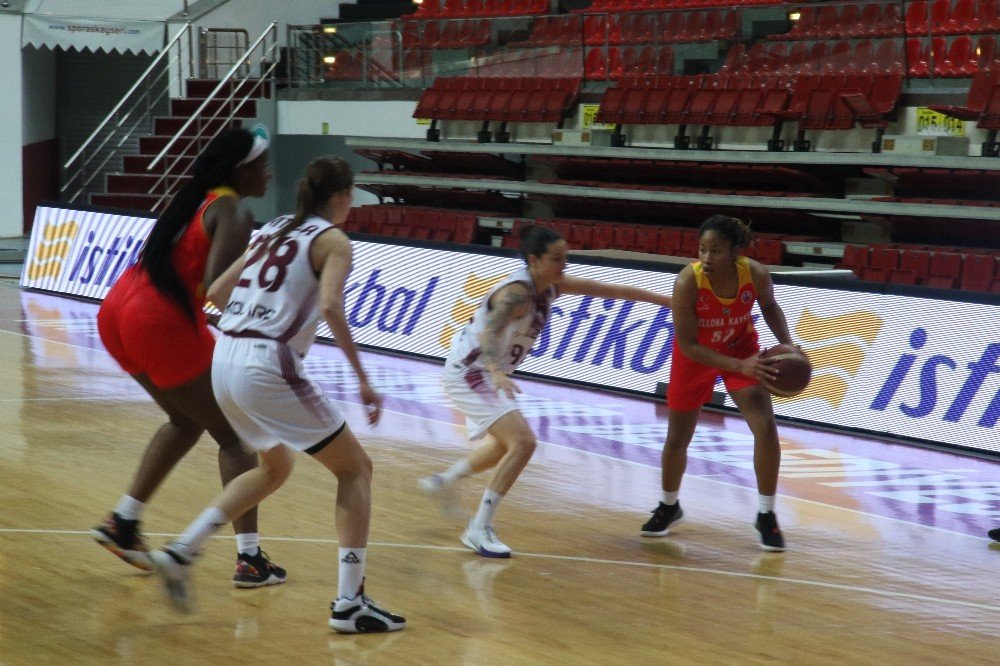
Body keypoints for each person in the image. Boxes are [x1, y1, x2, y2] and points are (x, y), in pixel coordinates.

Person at [148, 156, 405, 633]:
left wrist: (256, 316)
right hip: (267, 363)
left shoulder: (276, 228)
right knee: (356, 470)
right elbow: (330, 306)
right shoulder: (334, 240)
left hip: (226, 357)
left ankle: (183, 551)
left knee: (275, 466)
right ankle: (350, 603)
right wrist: (363, 379)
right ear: (344, 196)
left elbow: (218, 290)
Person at [92, 127, 286, 587]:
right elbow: (220, 289)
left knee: (185, 421)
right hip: (161, 320)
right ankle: (250, 560)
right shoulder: (235, 211)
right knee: (238, 437)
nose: (268, 172)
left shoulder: (198, 199)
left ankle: (124, 520)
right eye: (261, 165)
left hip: (119, 307)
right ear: (240, 169)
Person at [420, 225, 672, 558]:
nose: (564, 265)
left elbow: (609, 289)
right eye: (557, 259)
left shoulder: (550, 286)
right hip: (473, 372)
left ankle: (446, 482)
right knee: (524, 442)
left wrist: (667, 300)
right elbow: (490, 334)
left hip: (482, 373)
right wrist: (496, 372)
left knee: (503, 446)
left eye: (566, 258)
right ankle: (479, 528)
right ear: (533, 260)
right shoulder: (517, 292)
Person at [640, 214, 793, 552]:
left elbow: (769, 306)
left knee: (766, 427)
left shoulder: (755, 274)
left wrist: (788, 344)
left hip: (741, 347)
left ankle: (766, 515)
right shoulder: (687, 283)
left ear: (735, 252)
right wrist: (742, 365)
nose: (707, 259)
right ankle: (669, 505)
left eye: (716, 251)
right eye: (702, 250)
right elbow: (689, 345)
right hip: (697, 357)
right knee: (678, 438)